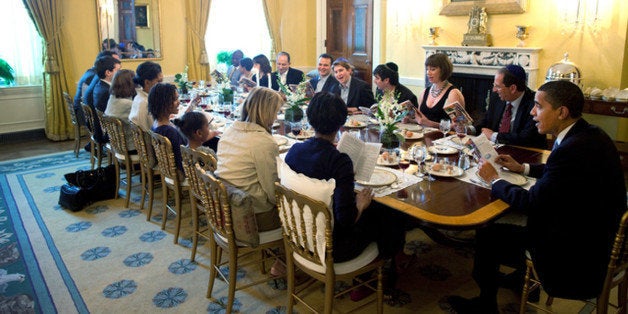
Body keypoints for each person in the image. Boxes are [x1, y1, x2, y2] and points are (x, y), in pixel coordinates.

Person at [447, 81, 626, 314]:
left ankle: (486, 304)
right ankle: (521, 279)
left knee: (489, 232)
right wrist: (523, 168)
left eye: (539, 106)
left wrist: (494, 180)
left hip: (578, 249)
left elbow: (532, 203)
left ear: (561, 112)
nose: (532, 112)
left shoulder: (572, 149)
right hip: (599, 230)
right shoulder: (587, 135)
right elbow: (558, 172)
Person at [285, 92, 409, 305]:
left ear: (310, 118)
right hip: (334, 247)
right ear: (341, 123)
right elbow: (346, 219)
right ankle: (369, 277)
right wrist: (361, 205)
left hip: (300, 235)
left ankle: (392, 261)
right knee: (386, 213)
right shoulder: (339, 160)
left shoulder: (294, 151)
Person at [215, 87, 283, 231]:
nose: (276, 117)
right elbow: (272, 192)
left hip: (226, 207)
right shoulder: (263, 142)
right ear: (266, 112)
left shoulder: (229, 131)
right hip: (253, 215)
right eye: (276, 112)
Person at [470, 64, 546, 148]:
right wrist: (470, 130)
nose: (494, 90)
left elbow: (526, 138)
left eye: (498, 86)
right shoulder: (497, 97)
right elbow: (487, 121)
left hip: (525, 153)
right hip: (495, 149)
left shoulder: (535, 104)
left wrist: (494, 136)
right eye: (494, 85)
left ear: (512, 88)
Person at [412, 53, 465, 128]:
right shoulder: (424, 92)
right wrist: (410, 120)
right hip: (423, 135)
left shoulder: (453, 94)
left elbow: (458, 125)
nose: (428, 73)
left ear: (443, 70)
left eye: (432, 69)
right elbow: (421, 120)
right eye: (427, 69)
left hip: (444, 137)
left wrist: (430, 123)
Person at [147, 83, 188, 176]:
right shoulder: (169, 131)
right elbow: (182, 159)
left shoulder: (156, 123)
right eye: (174, 99)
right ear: (163, 103)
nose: (179, 102)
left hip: (168, 170)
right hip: (182, 172)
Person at [73, 50, 120, 129]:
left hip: (89, 115)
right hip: (89, 118)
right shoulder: (96, 79)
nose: (118, 61)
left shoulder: (93, 74)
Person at [104, 69, 137, 150]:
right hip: (130, 146)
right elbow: (143, 125)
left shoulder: (112, 98)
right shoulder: (127, 104)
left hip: (116, 143)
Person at [129, 61, 163, 131]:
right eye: (159, 82)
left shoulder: (138, 97)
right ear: (147, 82)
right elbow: (157, 130)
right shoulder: (146, 103)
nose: (161, 85)